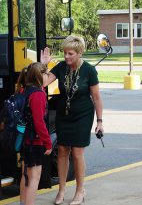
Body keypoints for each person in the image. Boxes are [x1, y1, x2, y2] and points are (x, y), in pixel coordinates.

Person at [40, 35, 104, 205]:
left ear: (79, 53)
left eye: (70, 53)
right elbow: (44, 82)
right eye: (65, 53)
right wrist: (44, 65)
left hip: (83, 116)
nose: (66, 57)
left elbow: (96, 98)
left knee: (77, 152)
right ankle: (61, 190)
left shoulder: (89, 70)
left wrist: (100, 121)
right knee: (62, 151)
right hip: (64, 115)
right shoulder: (61, 67)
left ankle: (80, 190)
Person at [19, 62, 52, 205]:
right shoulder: (38, 95)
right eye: (46, 74)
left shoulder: (24, 90)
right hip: (35, 141)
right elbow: (39, 122)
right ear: (40, 76)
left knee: (25, 175)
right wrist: (48, 143)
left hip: (24, 139)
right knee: (34, 178)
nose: (48, 76)